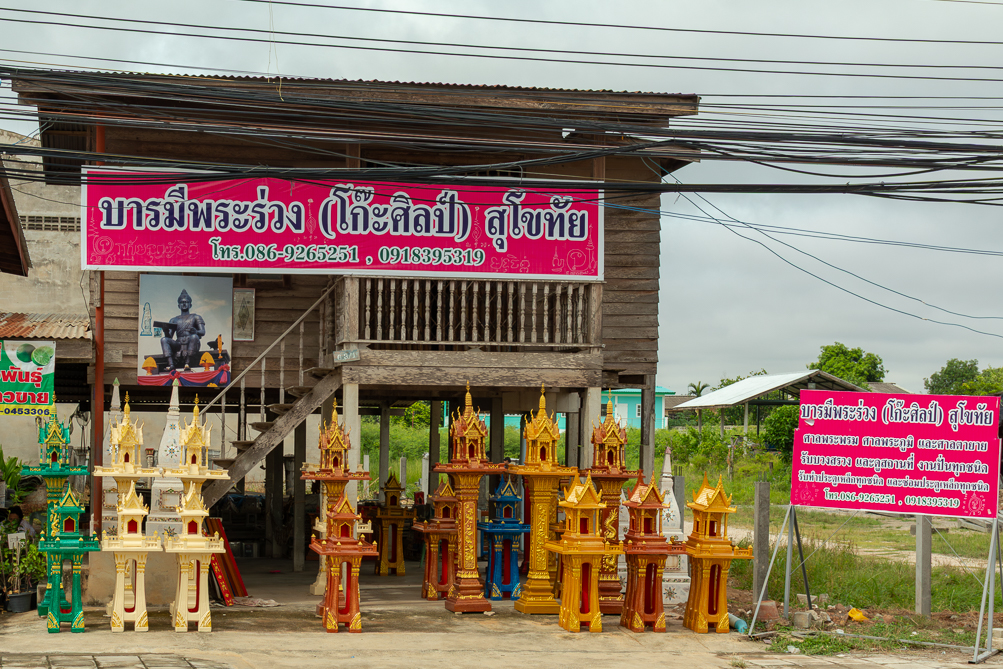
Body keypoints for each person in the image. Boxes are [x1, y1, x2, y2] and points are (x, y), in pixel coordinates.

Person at [159, 288, 206, 371]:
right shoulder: (174, 320)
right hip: (178, 344)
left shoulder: (196, 317)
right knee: (164, 340)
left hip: (191, 341)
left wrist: (196, 331)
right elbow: (169, 337)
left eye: (186, 302)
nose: (184, 304)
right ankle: (171, 364)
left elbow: (202, 332)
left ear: (190, 305)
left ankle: (187, 363)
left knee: (194, 336)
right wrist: (166, 330)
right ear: (178, 305)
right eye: (182, 302)